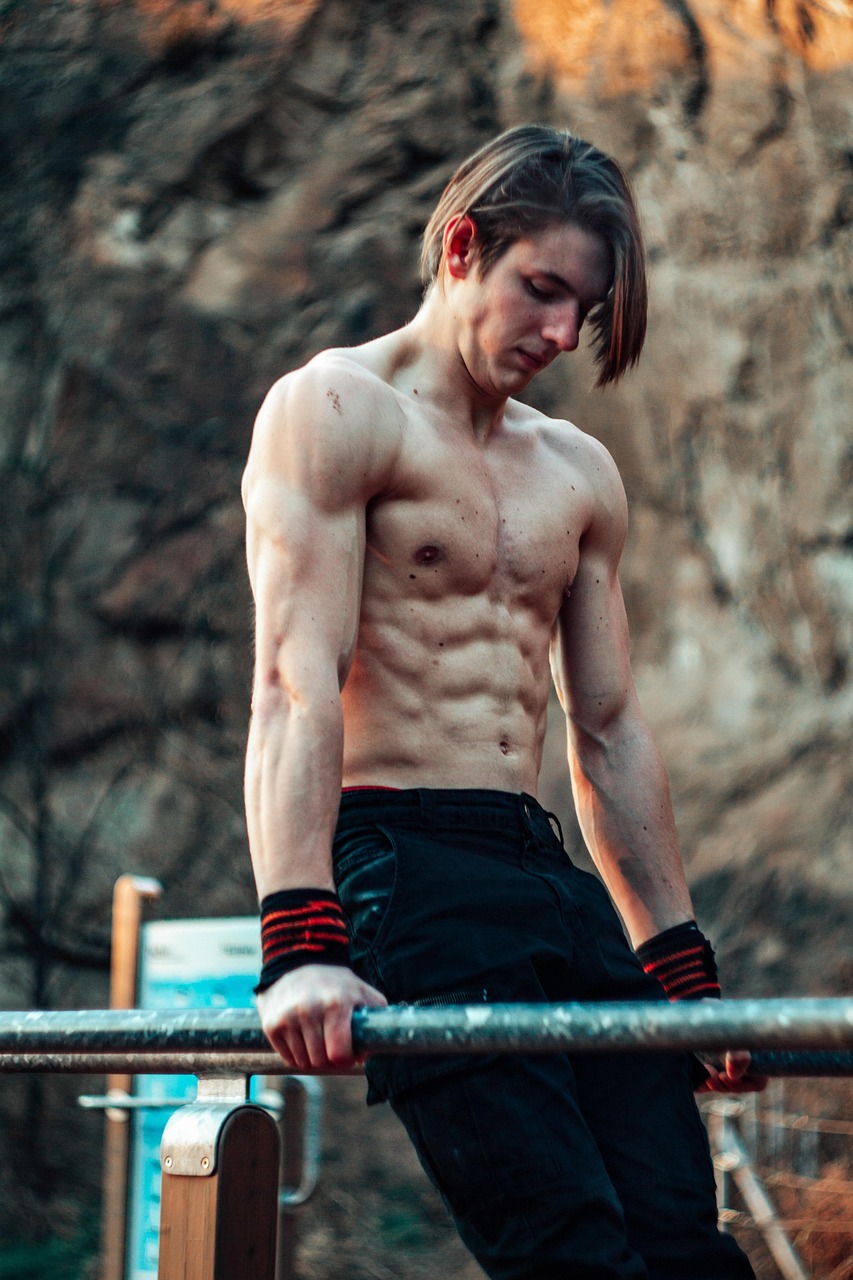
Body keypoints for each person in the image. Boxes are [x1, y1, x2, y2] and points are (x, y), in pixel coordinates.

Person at [242, 124, 764, 1279]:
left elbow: (610, 731)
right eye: (541, 290)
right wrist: (299, 936)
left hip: (537, 870)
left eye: (581, 309)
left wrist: (676, 964)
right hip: (399, 870)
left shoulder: (577, 468)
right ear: (463, 244)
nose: (560, 334)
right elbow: (292, 681)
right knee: (572, 1252)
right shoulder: (337, 408)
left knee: (685, 1247)